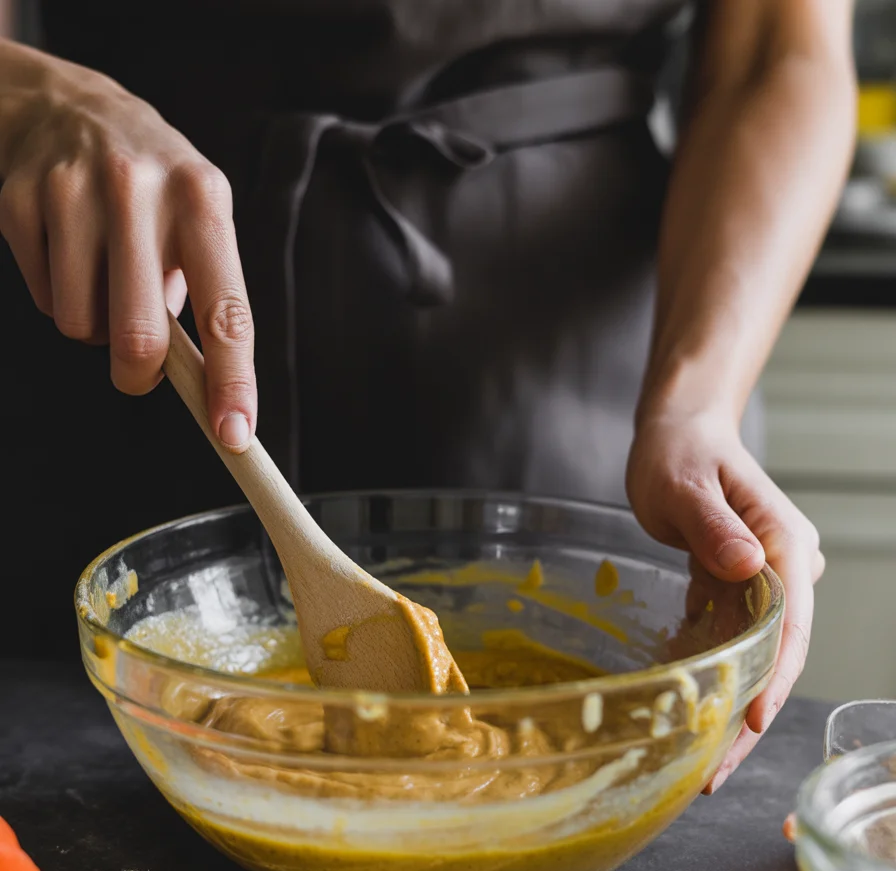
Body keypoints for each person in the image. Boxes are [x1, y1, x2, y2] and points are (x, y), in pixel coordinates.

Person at [0, 2, 853, 789]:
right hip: (113, 283)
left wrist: (694, 404)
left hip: (584, 370)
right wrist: (28, 90)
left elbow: (778, 54)